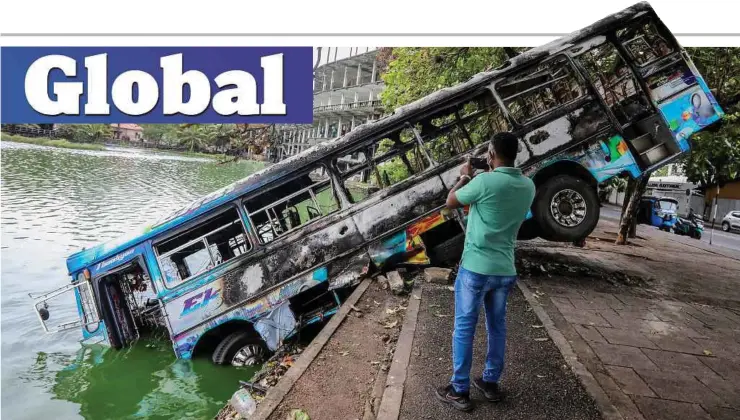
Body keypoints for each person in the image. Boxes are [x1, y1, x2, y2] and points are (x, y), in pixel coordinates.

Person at [435, 131, 536, 412]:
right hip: (505, 269)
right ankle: (490, 382)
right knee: (497, 326)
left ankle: (459, 389)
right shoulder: (528, 186)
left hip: (476, 269)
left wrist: (465, 175)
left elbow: (451, 201)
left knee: (465, 328)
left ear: (491, 154)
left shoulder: (483, 181)